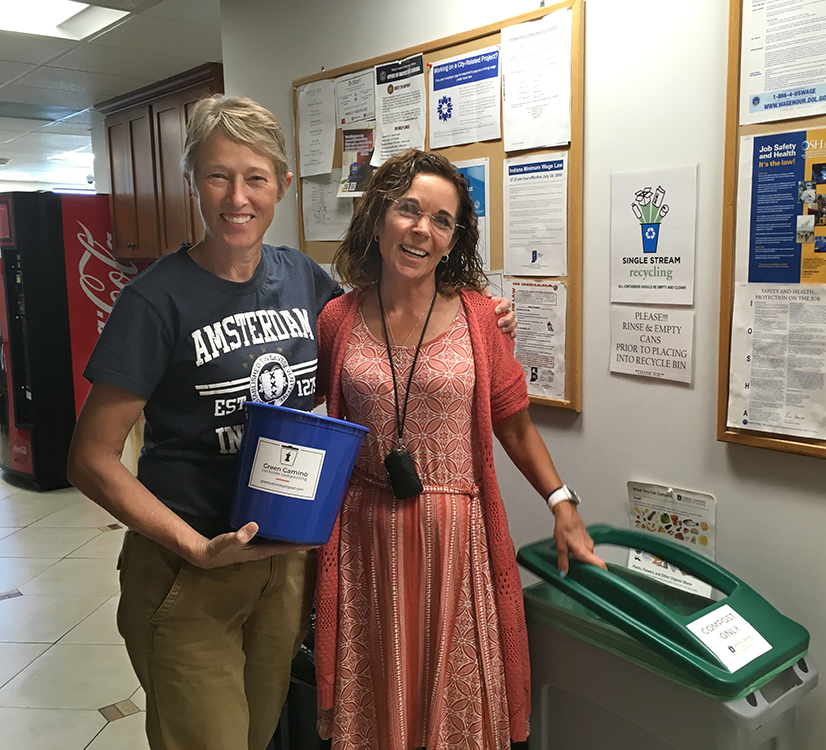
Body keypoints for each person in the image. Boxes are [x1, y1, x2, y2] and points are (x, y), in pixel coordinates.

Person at [66, 96, 515, 750]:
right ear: (192, 180)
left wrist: (476, 313)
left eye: (255, 177)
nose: (237, 196)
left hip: (283, 569)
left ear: (284, 183)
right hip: (189, 568)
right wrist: (194, 548)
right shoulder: (153, 301)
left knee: (259, 738)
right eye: (218, 175)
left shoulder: (304, 281)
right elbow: (90, 458)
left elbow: (382, 330)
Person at [313, 149, 606, 749]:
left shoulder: (480, 319)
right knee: (374, 700)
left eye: (442, 221)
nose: (423, 229)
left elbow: (515, 425)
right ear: (378, 217)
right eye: (409, 210)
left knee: (455, 709)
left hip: (458, 546)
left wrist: (562, 502)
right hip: (365, 542)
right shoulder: (337, 319)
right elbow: (319, 420)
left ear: (453, 239)